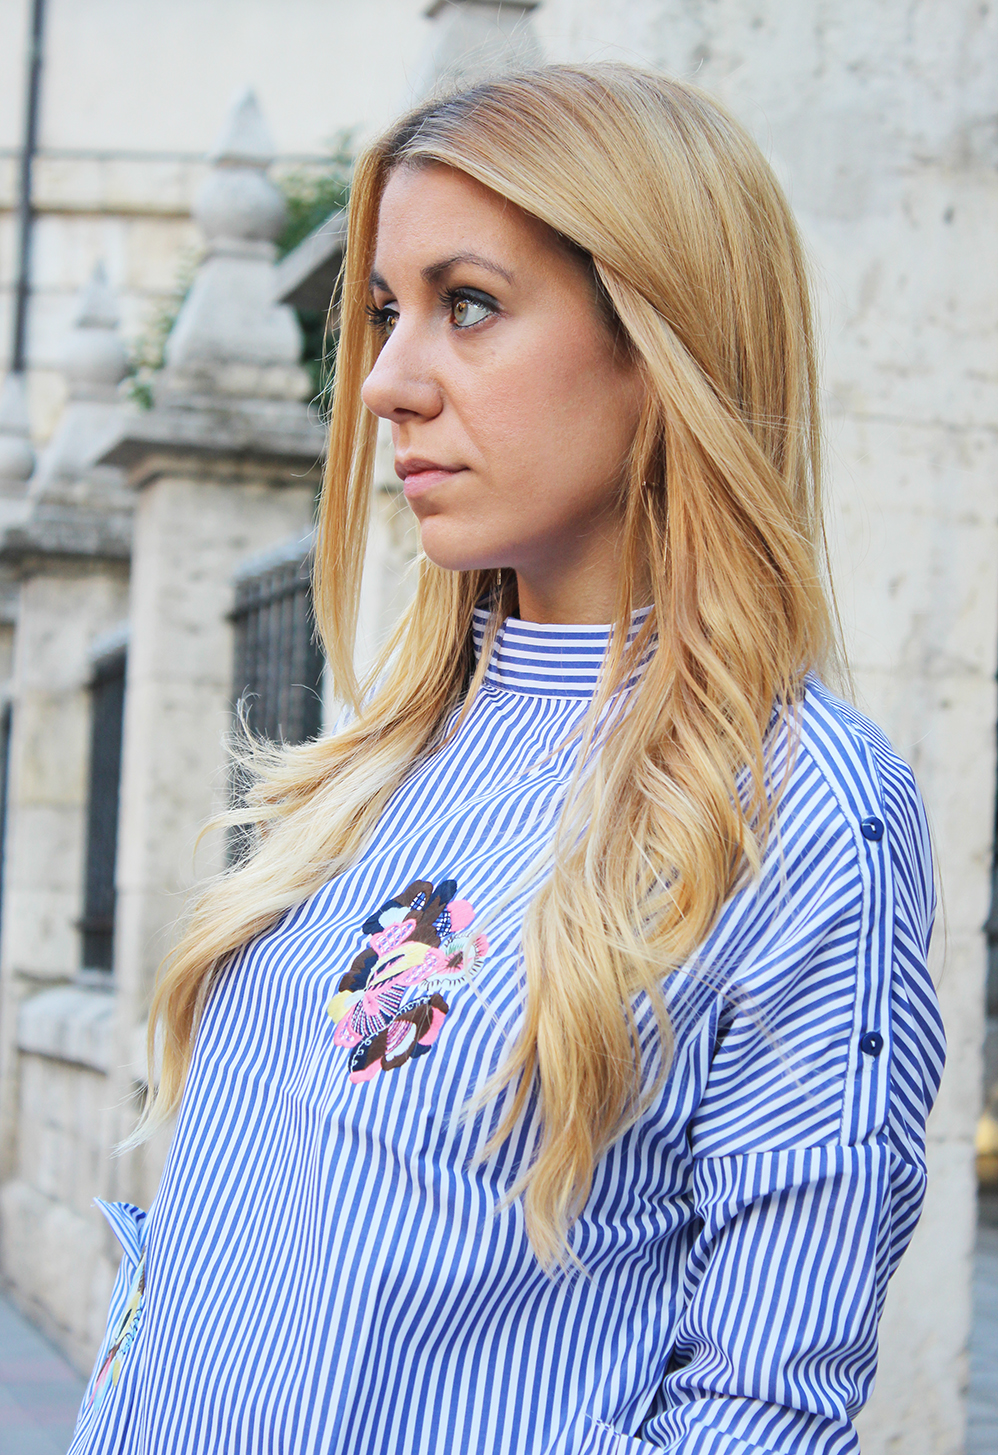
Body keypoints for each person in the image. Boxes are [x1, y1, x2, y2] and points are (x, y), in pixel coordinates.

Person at [70, 64, 945, 1455]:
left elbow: (764, 1408)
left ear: (659, 339)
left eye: (466, 305)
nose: (386, 383)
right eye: (383, 313)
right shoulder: (384, 755)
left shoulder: (798, 808)